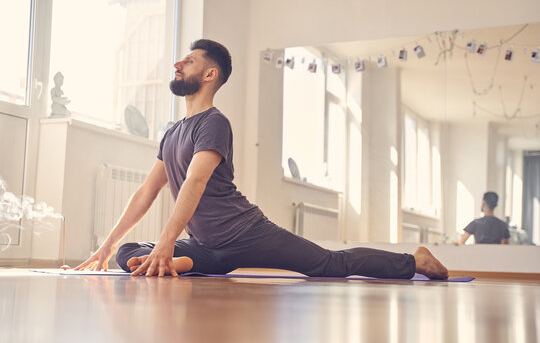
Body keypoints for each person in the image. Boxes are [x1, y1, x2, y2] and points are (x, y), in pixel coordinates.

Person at [76, 39, 448, 280]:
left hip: (246, 233)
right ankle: (181, 262)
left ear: (209, 74)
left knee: (329, 266)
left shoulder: (214, 123)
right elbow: (147, 190)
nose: (177, 64)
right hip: (207, 246)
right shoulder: (173, 131)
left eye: (187, 61)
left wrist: (166, 241)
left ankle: (414, 261)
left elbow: (194, 183)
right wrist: (107, 247)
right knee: (129, 253)